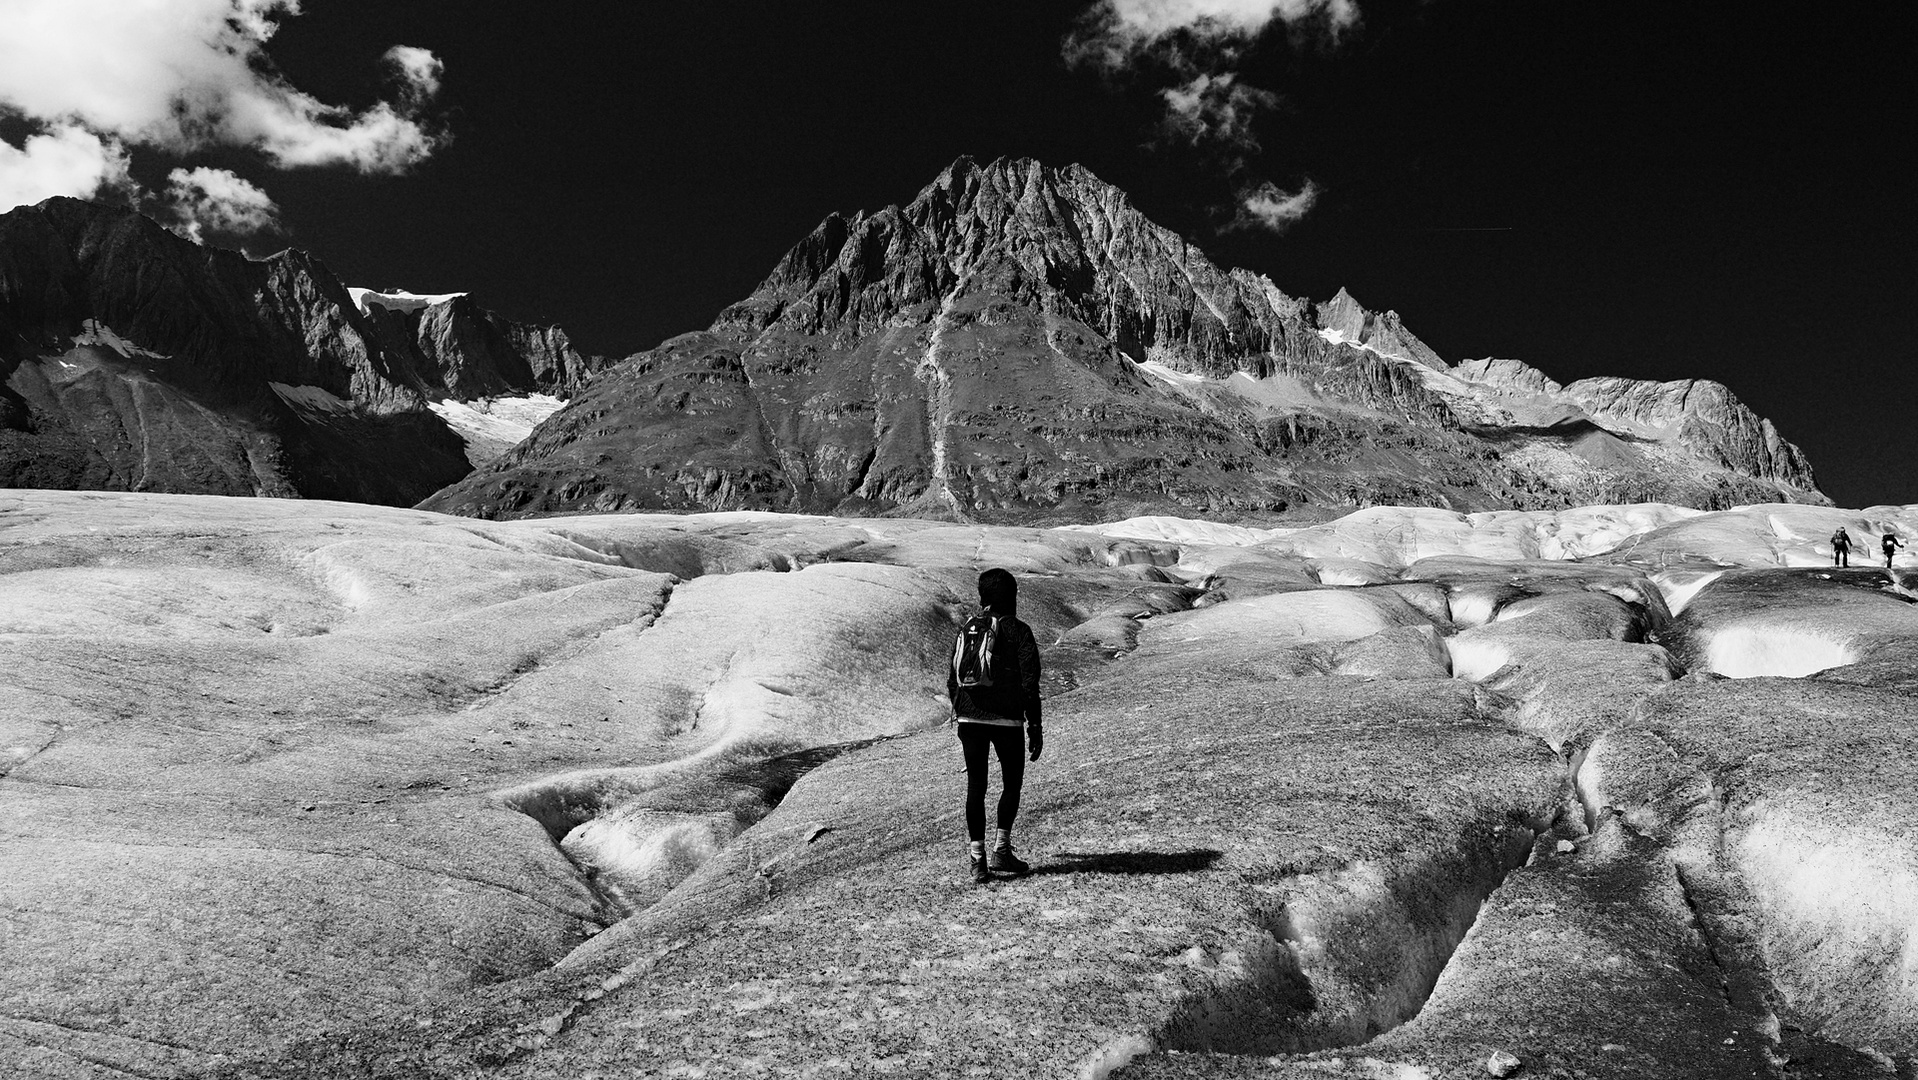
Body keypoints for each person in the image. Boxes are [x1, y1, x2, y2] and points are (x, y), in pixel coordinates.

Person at [947, 568, 1043, 884]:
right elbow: (1030, 683)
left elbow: (953, 678)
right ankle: (1002, 849)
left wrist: (962, 710)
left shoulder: (969, 629)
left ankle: (978, 861)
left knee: (976, 786)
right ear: (1012, 596)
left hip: (969, 718)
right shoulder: (1019, 631)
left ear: (983, 597)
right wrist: (1034, 726)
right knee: (1011, 784)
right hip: (1007, 720)